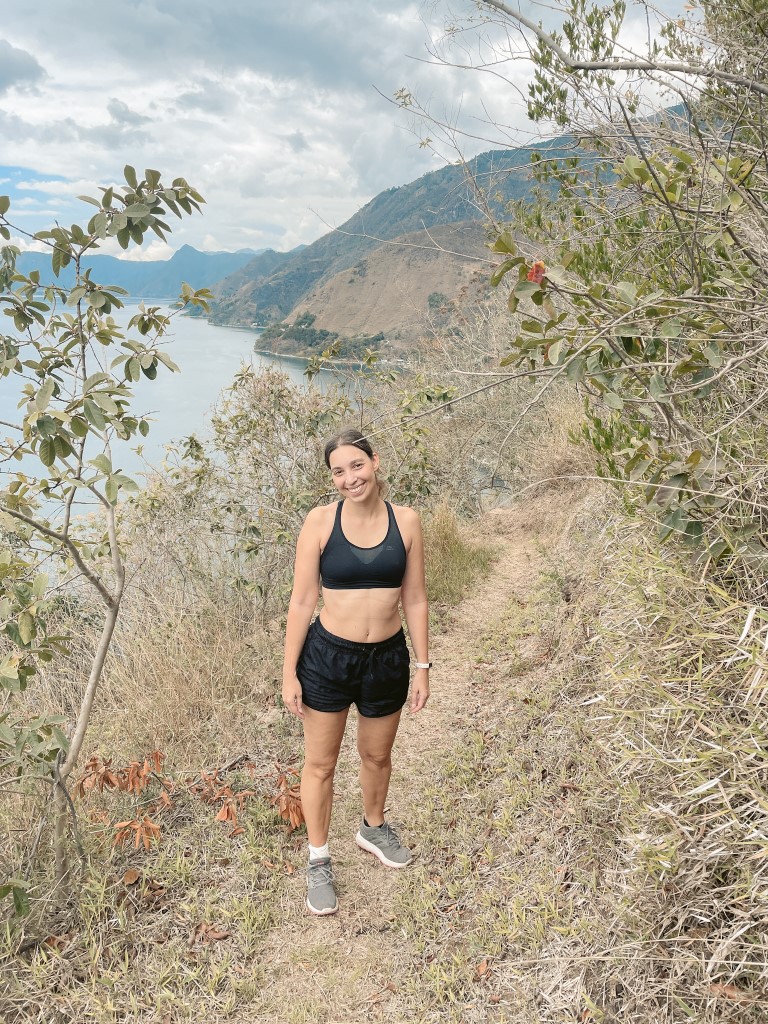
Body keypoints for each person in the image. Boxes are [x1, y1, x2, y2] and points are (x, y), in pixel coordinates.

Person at [282, 427, 430, 916]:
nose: (350, 478)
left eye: (356, 466)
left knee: (377, 757)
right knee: (320, 764)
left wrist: (423, 667)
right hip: (328, 658)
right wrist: (289, 674)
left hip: (387, 657)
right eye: (338, 472)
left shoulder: (406, 521)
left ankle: (372, 826)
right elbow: (302, 601)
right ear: (332, 479)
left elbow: (415, 598)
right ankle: (319, 859)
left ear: (375, 462)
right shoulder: (320, 523)